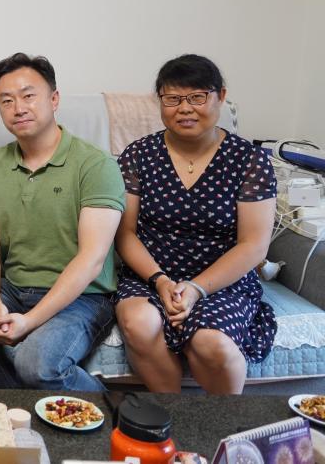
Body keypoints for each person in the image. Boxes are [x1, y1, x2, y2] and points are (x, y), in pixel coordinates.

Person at [0, 53, 125, 391]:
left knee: (35, 363)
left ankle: (114, 412)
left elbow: (92, 259)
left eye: (28, 96)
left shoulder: (96, 164)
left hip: (84, 297)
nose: (18, 108)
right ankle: (16, 401)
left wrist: (30, 321)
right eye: (6, 100)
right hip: (16, 288)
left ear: (54, 99)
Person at [113, 54, 277, 394]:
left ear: (221, 96)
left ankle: (224, 423)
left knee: (211, 343)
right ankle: (172, 412)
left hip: (223, 281)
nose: (184, 108)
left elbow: (254, 245)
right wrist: (160, 280)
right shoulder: (138, 155)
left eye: (197, 97)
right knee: (139, 322)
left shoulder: (249, 160)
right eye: (172, 99)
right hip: (150, 276)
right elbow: (125, 233)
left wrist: (196, 288)